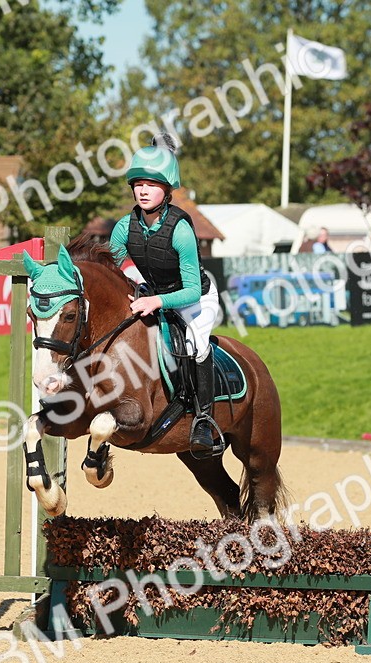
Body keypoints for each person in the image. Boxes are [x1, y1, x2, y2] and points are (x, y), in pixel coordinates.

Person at [108, 134, 221, 453]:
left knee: (196, 344)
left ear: (167, 190)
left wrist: (155, 299)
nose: (143, 190)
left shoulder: (181, 229)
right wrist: (135, 286)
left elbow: (191, 291)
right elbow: (113, 263)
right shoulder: (124, 227)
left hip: (195, 300)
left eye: (152, 185)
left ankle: (203, 419)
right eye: (138, 184)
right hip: (153, 296)